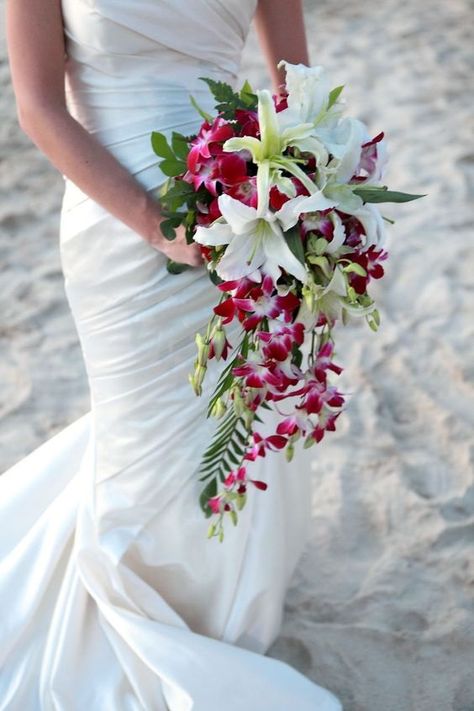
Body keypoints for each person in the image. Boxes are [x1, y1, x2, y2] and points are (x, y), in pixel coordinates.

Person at [0, 1, 343, 708]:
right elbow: (37, 105)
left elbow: (296, 84)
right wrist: (157, 225)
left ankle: (224, 601)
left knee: (239, 414)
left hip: (248, 208)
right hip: (115, 216)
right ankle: (146, 597)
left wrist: (300, 194)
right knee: (145, 428)